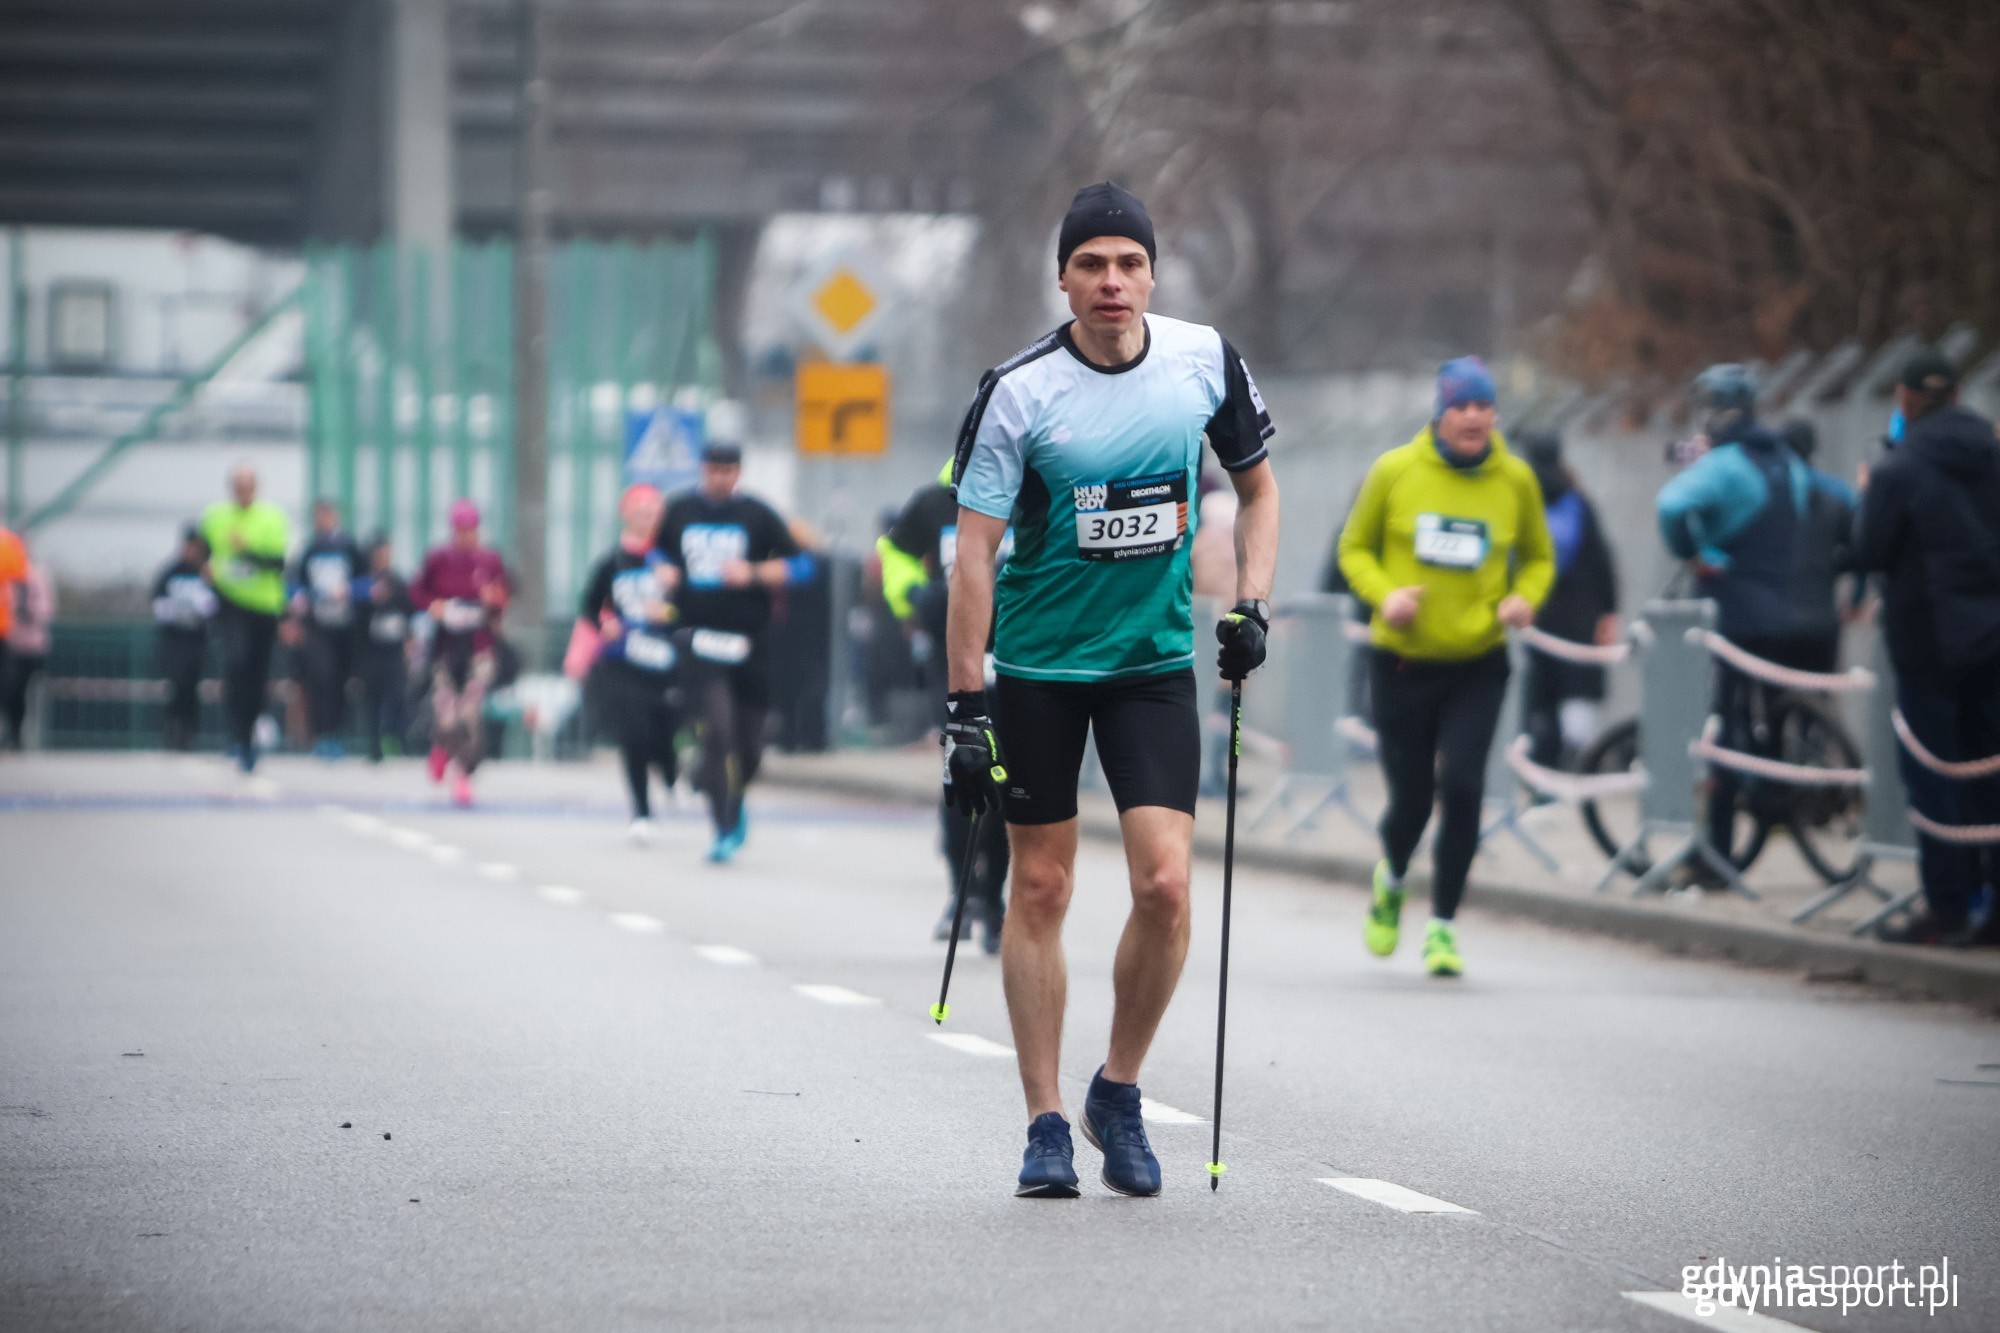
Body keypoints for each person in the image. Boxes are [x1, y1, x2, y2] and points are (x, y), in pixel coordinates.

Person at [945, 181, 1280, 1199]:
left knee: (1164, 884)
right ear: (1062, 277)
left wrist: (1250, 602)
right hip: (1040, 672)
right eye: (1089, 263)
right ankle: (1043, 1119)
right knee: (1039, 887)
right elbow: (973, 557)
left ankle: (1116, 1089)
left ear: (1150, 274)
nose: (1110, 281)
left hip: (1147, 670)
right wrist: (966, 703)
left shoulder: (1201, 362)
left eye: (1127, 263)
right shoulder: (1017, 391)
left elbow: (1258, 486)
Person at [1338, 356, 1553, 978]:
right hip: (1402, 664)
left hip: (1478, 664)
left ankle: (1443, 927)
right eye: (1461, 406)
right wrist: (1386, 596)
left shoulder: (1515, 480)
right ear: (1440, 412)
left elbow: (1538, 557)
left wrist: (1525, 599)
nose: (1474, 417)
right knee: (1411, 799)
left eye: (1484, 406)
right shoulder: (1395, 471)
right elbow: (1354, 548)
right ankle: (1394, 877)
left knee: (1462, 788)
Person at [1656, 365, 1854, 874]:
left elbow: (1672, 503)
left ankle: (1717, 855)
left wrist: (1695, 552)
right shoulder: (1785, 460)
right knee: (1775, 722)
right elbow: (1849, 504)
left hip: (1737, 617)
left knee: (1727, 726)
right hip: (1793, 612)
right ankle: (1782, 791)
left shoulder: (1727, 464)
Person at [1848, 348, 2000, 946]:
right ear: (1959, 396)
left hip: (1930, 642)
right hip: (1994, 639)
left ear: (1906, 401)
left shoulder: (1898, 467)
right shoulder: (1994, 454)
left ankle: (1949, 906)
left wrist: (1865, 497)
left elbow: (1868, 551)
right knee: (1991, 771)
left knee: (1936, 776)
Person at [651, 443, 813, 863]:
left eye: (728, 471)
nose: (720, 478)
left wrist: (755, 572)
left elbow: (803, 567)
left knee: (749, 746)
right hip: (697, 637)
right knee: (718, 730)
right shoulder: (680, 510)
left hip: (749, 640)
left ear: (738, 473)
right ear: (702, 470)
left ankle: (732, 796)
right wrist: (663, 571)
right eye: (713, 470)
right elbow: (654, 552)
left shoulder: (757, 515)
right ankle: (721, 824)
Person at [882, 470, 1010, 953]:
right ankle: (961, 891)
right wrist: (912, 594)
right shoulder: (936, 501)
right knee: (965, 769)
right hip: (957, 659)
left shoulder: (1027, 489)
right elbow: (893, 551)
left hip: (1020, 661)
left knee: (1006, 783)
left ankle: (994, 898)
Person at [577, 484, 683, 842]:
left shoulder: (672, 560)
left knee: (664, 731)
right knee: (634, 734)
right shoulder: (613, 562)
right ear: (626, 514)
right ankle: (641, 810)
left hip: (667, 661)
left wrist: (671, 603)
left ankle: (670, 775)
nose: (646, 518)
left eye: (652, 511)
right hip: (625, 661)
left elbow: (693, 607)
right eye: (639, 511)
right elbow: (591, 605)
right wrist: (605, 623)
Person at [1516, 432, 1619, 771]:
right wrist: (1608, 612)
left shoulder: (1522, 498)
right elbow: (1602, 560)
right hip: (1581, 612)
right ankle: (1580, 763)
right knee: (1577, 691)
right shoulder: (1578, 501)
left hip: (1535, 609)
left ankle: (1541, 767)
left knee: (1539, 695)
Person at [410, 499, 512, 807]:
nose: (467, 535)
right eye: (461, 529)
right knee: (447, 714)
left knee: (470, 713)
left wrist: (494, 600)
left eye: (472, 529)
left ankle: (464, 773)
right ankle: (441, 746)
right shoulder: (438, 559)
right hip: (445, 648)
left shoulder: (490, 560)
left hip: (479, 648)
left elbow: (505, 594)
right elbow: (417, 592)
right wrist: (436, 607)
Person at [200, 464, 291, 772]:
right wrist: (205, 567)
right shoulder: (215, 516)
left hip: (264, 606)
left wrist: (247, 550)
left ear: (256, 487)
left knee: (257, 673)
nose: (242, 490)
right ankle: (238, 735)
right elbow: (201, 551)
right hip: (229, 603)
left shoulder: (271, 517)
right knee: (235, 664)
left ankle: (250, 733)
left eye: (247, 484)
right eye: (237, 484)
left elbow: (277, 563)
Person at [288, 499, 366, 758]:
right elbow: (295, 586)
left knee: (341, 680)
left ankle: (335, 733)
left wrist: (349, 591)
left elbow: (366, 584)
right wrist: (299, 602)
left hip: (344, 626)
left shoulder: (349, 547)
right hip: (317, 625)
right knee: (320, 675)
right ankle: (320, 733)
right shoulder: (309, 550)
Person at [151, 526, 217, 751]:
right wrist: (177, 610)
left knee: (192, 685)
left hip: (197, 638)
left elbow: (216, 603)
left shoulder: (205, 572)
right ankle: (173, 728)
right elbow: (158, 603)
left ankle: (189, 731)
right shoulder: (170, 572)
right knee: (176, 683)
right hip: (174, 638)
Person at [354, 536, 413, 763]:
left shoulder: (397, 581)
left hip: (394, 649)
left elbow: (408, 608)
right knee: (372, 698)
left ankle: (398, 738)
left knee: (397, 694)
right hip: (371, 649)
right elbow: (357, 613)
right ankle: (374, 745)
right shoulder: (364, 583)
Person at [1, 537, 54, 749]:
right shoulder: (10, 575)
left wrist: (29, 611)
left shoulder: (36, 575)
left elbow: (46, 608)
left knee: (21, 689)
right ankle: (11, 732)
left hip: (30, 644)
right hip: (11, 639)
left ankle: (16, 733)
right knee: (10, 688)